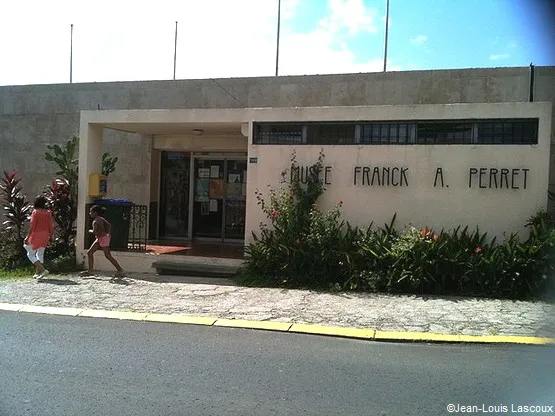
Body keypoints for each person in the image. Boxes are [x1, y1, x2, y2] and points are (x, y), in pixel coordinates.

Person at [80, 205, 125, 278]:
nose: (90, 213)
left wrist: (89, 231)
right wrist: (109, 234)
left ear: (95, 213)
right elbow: (109, 225)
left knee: (108, 256)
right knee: (90, 252)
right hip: (101, 238)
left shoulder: (95, 222)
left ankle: (120, 270)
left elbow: (95, 232)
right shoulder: (101, 219)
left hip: (102, 239)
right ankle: (90, 271)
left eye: (91, 212)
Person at [24, 196, 55, 280]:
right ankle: (38, 272)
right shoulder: (48, 213)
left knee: (30, 253)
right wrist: (51, 236)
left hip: (36, 235)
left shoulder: (35, 212)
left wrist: (28, 237)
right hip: (45, 235)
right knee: (40, 253)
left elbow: (32, 226)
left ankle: (42, 269)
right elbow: (51, 226)